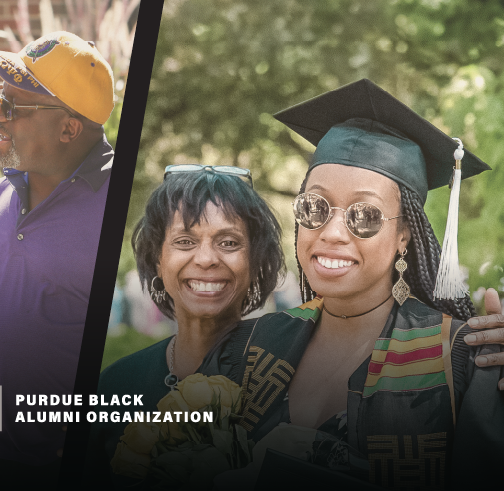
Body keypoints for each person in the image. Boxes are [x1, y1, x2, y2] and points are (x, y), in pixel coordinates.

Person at [202, 79, 504, 488]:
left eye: (365, 215)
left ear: (405, 236)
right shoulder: (248, 347)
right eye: (314, 207)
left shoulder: (462, 361)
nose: (332, 233)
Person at [0, 31, 115, 486]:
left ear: (69, 127)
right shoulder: (1, 192)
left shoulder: (115, 209)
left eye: (15, 107)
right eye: (0, 98)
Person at [85, 166, 284, 485]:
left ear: (256, 260)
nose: (206, 259)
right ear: (157, 261)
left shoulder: (288, 385)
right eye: (185, 241)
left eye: (229, 243)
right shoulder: (114, 386)